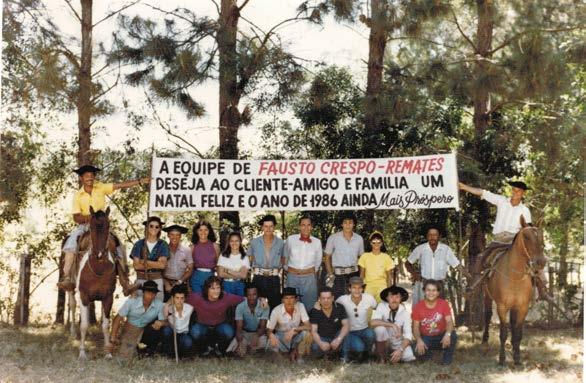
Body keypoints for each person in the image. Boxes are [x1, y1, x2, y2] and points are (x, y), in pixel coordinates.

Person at [58, 164, 148, 293]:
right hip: (85, 225)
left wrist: (139, 181)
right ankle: (67, 278)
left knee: (118, 245)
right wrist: (90, 217)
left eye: (92, 175)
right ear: (82, 178)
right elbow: (76, 217)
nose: (90, 177)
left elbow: (119, 185)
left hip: (102, 224)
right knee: (70, 243)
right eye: (86, 176)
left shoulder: (100, 187)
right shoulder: (78, 195)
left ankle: (125, 282)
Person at [459, 180, 548, 298]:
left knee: (535, 257)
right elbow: (483, 193)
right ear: (512, 191)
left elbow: (527, 228)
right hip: (498, 239)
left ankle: (543, 290)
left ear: (523, 193)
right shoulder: (501, 201)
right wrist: (464, 186)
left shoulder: (525, 210)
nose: (515, 193)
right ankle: (473, 287)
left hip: (514, 240)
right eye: (514, 190)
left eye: (519, 191)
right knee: (481, 257)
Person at [405, 227, 467, 306]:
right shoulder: (421, 249)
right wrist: (414, 274)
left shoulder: (446, 249)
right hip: (424, 284)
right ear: (427, 236)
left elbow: (457, 265)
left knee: (439, 313)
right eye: (430, 235)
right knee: (423, 312)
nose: (432, 237)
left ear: (439, 236)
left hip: (439, 286)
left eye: (435, 235)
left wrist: (469, 275)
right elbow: (407, 263)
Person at [187, 275, 244, 355]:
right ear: (206, 289)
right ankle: (204, 349)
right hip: (203, 326)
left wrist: (261, 300)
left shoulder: (226, 297)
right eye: (212, 288)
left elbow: (244, 299)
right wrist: (168, 303)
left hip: (219, 326)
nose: (216, 291)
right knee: (195, 331)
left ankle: (219, 348)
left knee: (228, 332)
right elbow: (180, 298)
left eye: (218, 288)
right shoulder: (197, 297)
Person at [109, 281, 166, 359]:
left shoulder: (159, 304)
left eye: (153, 293)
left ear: (156, 294)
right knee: (126, 356)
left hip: (145, 330)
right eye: (148, 292)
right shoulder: (132, 302)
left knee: (155, 330)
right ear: (143, 293)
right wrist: (112, 338)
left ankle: (148, 352)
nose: (150, 295)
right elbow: (117, 319)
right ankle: (135, 349)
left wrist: (160, 323)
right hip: (130, 329)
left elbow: (164, 321)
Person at [412, 279, 457, 365]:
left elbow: (449, 322)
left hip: (441, 336)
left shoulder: (444, 304)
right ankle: (431, 356)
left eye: (434, 290)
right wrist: (418, 340)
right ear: (424, 291)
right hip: (426, 337)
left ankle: (446, 360)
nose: (431, 293)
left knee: (453, 335)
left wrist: (447, 334)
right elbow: (415, 328)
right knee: (415, 350)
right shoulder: (418, 307)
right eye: (428, 290)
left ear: (438, 293)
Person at [284, 216, 322, 311]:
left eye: (308, 225)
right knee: (291, 304)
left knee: (310, 305)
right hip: (292, 277)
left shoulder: (317, 242)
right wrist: (287, 269)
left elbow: (318, 261)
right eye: (303, 225)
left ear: (311, 227)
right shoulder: (291, 239)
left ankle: (309, 325)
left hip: (309, 278)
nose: (306, 227)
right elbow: (284, 257)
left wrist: (311, 271)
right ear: (299, 226)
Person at [335, 276, 377, 362]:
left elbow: (376, 308)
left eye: (359, 288)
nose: (357, 290)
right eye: (354, 288)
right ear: (349, 289)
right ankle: (352, 353)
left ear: (363, 289)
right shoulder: (342, 299)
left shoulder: (369, 298)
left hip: (364, 329)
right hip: (350, 331)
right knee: (359, 347)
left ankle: (367, 354)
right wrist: (318, 304)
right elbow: (332, 306)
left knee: (371, 334)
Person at [248, 214, 285, 310]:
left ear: (274, 227)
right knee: (257, 306)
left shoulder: (281, 243)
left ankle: (273, 325)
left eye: (271, 226)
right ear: (262, 227)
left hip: (274, 278)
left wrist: (278, 269)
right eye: (266, 226)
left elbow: (283, 259)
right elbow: (249, 259)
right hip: (258, 277)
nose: (268, 229)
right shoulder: (254, 242)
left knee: (275, 305)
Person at [324, 212, 364, 299]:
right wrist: (331, 274)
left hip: (354, 274)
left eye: (350, 222)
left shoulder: (359, 239)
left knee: (354, 299)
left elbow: (362, 258)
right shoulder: (333, 238)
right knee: (339, 300)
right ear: (341, 224)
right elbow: (327, 258)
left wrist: (361, 276)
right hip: (338, 275)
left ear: (354, 224)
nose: (348, 225)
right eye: (345, 222)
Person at [371, 286, 416, 363]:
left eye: (397, 297)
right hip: (384, 341)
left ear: (401, 298)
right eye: (391, 297)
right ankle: (382, 357)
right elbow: (372, 322)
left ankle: (393, 356)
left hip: (397, 343)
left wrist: (400, 350)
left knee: (409, 356)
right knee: (379, 329)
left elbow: (408, 336)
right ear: (387, 298)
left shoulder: (405, 313)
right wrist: (392, 325)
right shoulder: (381, 306)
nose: (394, 300)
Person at [266, 287, 311, 362]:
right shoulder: (276, 310)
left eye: (292, 298)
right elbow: (269, 330)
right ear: (282, 300)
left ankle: (299, 356)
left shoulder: (300, 306)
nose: (289, 301)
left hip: (295, 336)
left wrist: (294, 329)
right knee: (271, 342)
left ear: (296, 299)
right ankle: (285, 355)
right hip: (282, 337)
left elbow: (309, 326)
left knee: (307, 334)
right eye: (286, 298)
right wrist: (271, 335)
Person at [130, 216, 169, 301]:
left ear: (159, 229)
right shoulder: (139, 244)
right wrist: (155, 264)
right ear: (147, 227)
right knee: (139, 306)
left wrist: (144, 261)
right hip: (141, 280)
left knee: (158, 308)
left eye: (157, 227)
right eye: (151, 226)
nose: (154, 228)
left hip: (157, 280)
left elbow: (162, 266)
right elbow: (136, 266)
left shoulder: (163, 244)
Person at [226, 282, 270, 356]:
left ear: (258, 295)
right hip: (245, 334)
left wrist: (256, 335)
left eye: (254, 295)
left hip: (259, 333)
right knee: (231, 350)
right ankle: (246, 349)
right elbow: (239, 328)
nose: (252, 297)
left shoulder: (264, 306)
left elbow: (263, 327)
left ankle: (252, 350)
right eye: (249, 295)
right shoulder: (240, 307)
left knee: (266, 348)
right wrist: (240, 343)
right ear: (246, 296)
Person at [309, 287, 350, 360]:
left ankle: (344, 358)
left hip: (336, 336)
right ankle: (326, 356)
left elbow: (346, 325)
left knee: (345, 333)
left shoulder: (339, 307)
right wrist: (321, 343)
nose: (326, 300)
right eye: (323, 298)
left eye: (328, 298)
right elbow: (313, 330)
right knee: (315, 347)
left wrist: (338, 339)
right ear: (319, 299)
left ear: (333, 298)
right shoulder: (315, 310)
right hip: (322, 337)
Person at [358, 231, 394, 303]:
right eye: (374, 242)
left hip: (382, 286)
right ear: (370, 243)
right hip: (368, 286)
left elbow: (389, 277)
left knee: (381, 307)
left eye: (379, 242)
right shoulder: (364, 256)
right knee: (367, 308)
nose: (376, 244)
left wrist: (389, 291)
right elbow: (361, 275)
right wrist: (360, 289)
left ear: (382, 243)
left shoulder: (386, 257)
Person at [162, 224, 193, 301]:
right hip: (166, 284)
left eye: (177, 235)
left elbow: (190, 269)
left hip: (181, 283)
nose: (174, 237)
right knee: (166, 309)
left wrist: (179, 282)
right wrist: (166, 284)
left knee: (181, 307)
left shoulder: (186, 250)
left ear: (180, 236)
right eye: (172, 234)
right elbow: (158, 269)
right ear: (168, 235)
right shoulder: (162, 249)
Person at [162, 284, 194, 358]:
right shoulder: (169, 308)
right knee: (166, 331)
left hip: (183, 333)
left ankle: (180, 355)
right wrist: (167, 305)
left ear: (185, 298)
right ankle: (168, 352)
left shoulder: (190, 308)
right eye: (177, 298)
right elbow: (165, 314)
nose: (179, 301)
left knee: (188, 343)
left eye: (182, 298)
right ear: (173, 298)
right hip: (172, 332)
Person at [189, 221, 220, 294]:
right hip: (196, 278)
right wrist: (188, 285)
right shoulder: (192, 247)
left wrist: (219, 282)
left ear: (209, 231)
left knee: (210, 302)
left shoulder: (215, 246)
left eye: (206, 230)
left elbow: (219, 266)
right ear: (196, 231)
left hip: (211, 278)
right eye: (200, 230)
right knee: (198, 302)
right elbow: (189, 268)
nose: (203, 232)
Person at [217, 232, 250, 296]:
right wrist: (238, 274)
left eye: (236, 241)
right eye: (232, 241)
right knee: (227, 305)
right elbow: (220, 274)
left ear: (240, 242)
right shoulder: (223, 255)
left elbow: (244, 275)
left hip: (239, 285)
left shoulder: (244, 257)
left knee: (239, 305)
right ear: (229, 242)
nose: (234, 243)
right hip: (226, 284)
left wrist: (228, 271)